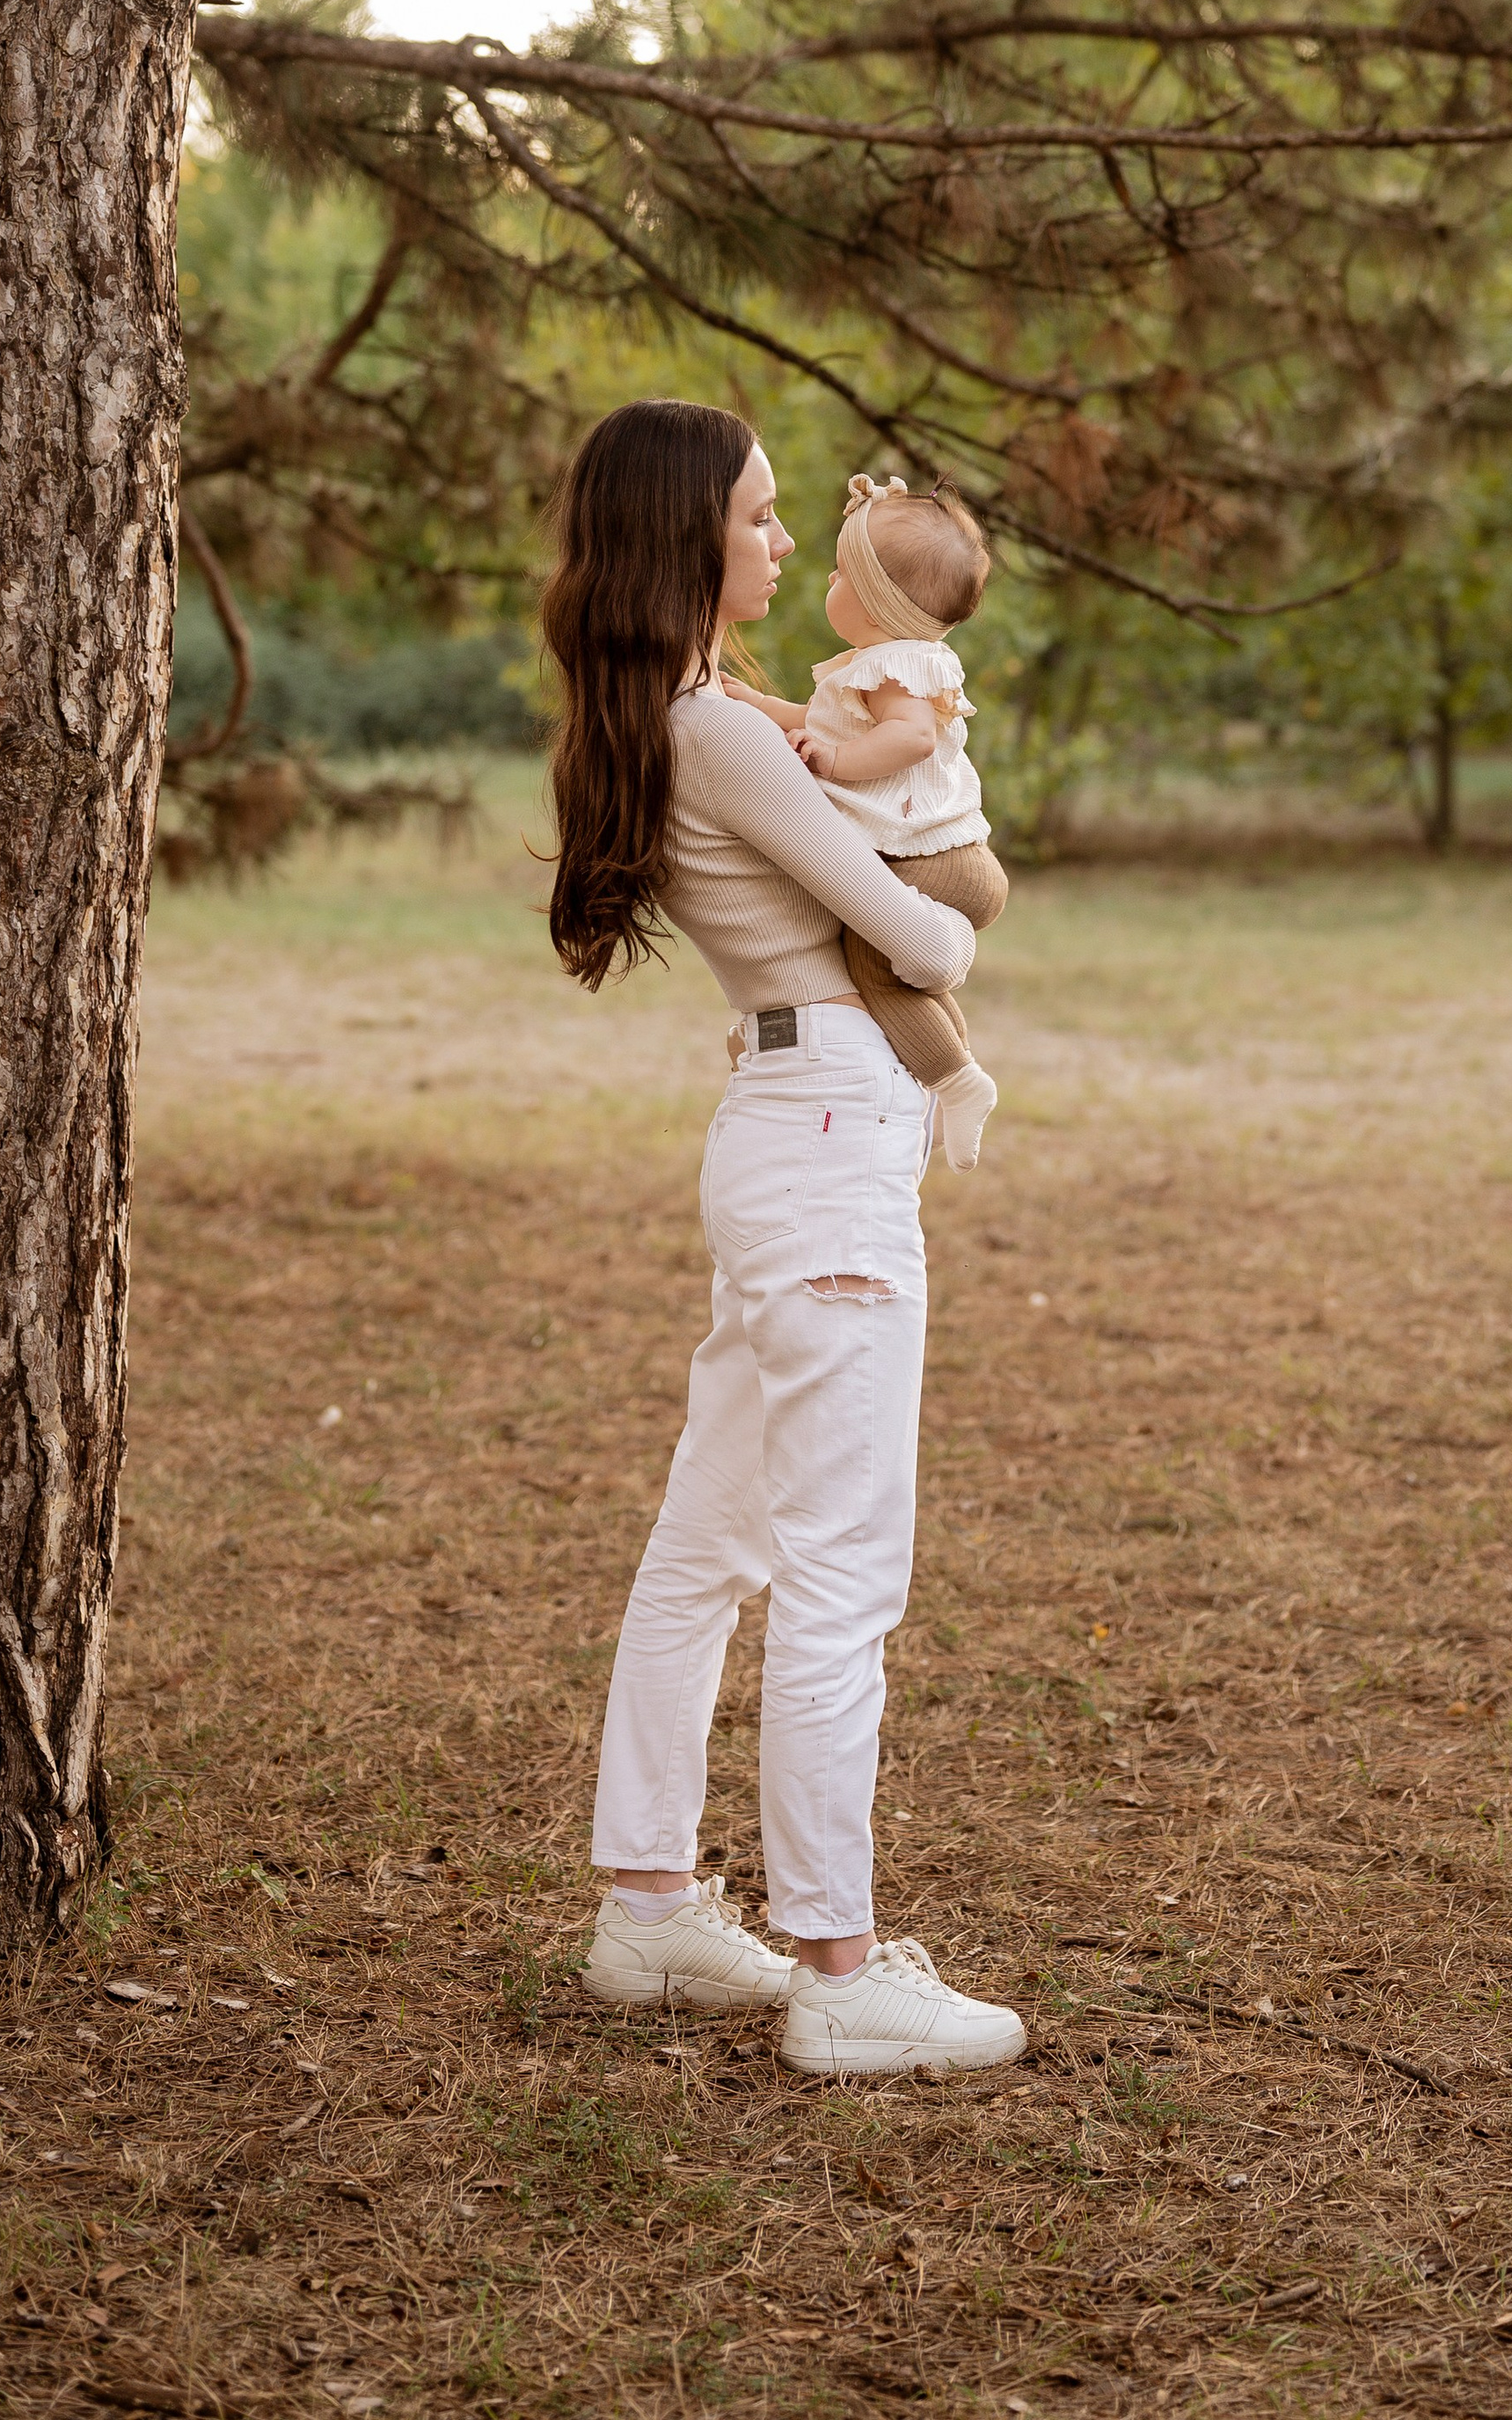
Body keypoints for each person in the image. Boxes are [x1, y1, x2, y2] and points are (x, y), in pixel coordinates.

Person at [540, 398, 1027, 2080]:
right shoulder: (731, 733)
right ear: (686, 536)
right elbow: (924, 938)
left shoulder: (692, 712)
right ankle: (839, 1962)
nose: (775, 544)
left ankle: (651, 1903)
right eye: (754, 518)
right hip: (824, 1138)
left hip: (787, 1126)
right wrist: (955, 874)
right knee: (840, 1565)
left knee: (716, 1544)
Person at [725, 471, 1007, 1172]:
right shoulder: (876, 666)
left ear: (878, 602)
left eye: (843, 573)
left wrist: (837, 762)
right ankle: (952, 1074)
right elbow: (811, 718)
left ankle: (954, 1081)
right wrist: (754, 704)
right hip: (949, 857)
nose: (826, 577)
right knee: (907, 977)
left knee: (875, 969)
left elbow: (909, 737)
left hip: (934, 859)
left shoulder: (894, 670)